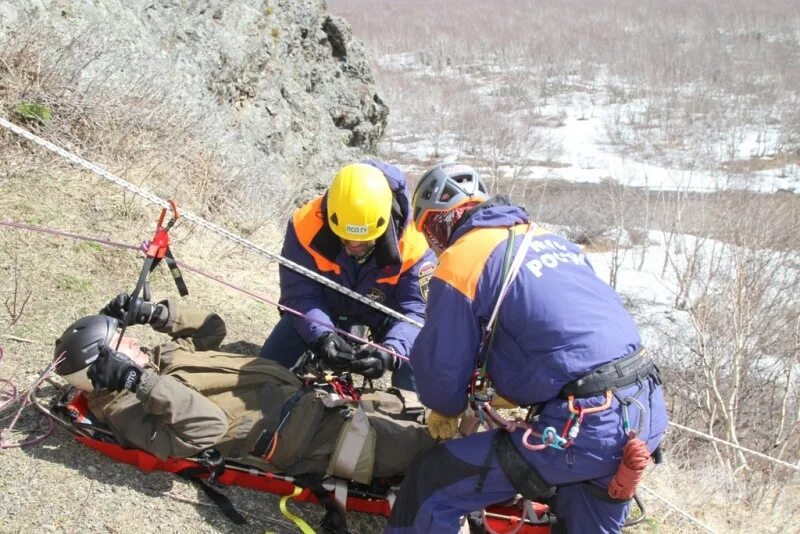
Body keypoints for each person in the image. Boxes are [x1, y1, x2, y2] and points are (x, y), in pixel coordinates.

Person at [386, 162, 668, 533]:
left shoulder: (463, 260)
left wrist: (446, 407)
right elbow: (561, 337)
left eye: (432, 233)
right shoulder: (551, 240)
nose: (436, 246)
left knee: (432, 481)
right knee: (580, 511)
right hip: (644, 410)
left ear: (441, 224)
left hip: (581, 424)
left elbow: (440, 378)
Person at [54, 293, 436, 486]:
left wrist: (155, 314)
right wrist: (140, 382)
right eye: (123, 346)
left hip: (325, 401)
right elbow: (207, 427)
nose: (134, 344)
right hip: (320, 440)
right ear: (103, 371)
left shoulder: (157, 360)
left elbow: (212, 330)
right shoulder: (129, 412)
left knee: (434, 413)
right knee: (444, 450)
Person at [259, 160, 436, 394]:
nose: (354, 245)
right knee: (266, 370)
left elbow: (415, 312)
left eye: (364, 240)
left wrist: (389, 353)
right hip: (324, 306)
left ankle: (408, 421)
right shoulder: (305, 226)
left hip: (383, 314)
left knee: (422, 364)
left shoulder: (414, 243)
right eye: (346, 236)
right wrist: (321, 336)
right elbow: (299, 295)